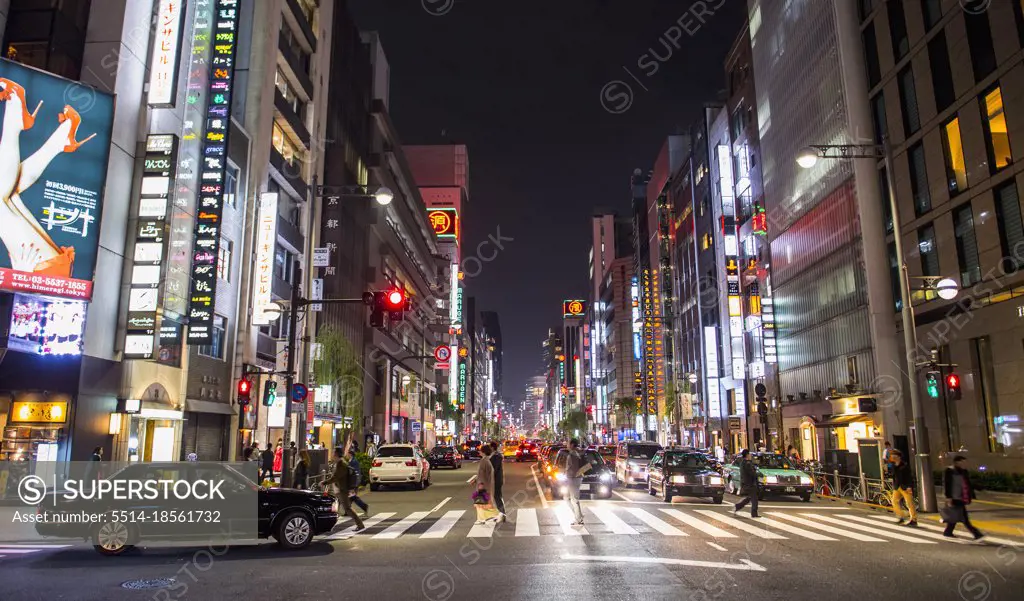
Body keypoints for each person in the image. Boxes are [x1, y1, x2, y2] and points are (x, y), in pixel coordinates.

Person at [943, 455, 984, 541]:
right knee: (964, 518)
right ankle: (977, 534)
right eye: (962, 462)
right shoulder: (949, 471)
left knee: (955, 516)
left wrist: (977, 488)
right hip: (954, 497)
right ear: (957, 462)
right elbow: (947, 484)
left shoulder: (964, 471)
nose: (964, 464)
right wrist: (948, 497)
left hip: (961, 497)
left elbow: (968, 483)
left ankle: (948, 531)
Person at [327, 447, 365, 532]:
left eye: (333, 452)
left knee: (347, 508)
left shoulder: (341, 463)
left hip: (342, 490)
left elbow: (335, 477)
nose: (332, 454)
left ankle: (360, 524)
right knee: (335, 507)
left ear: (336, 454)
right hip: (338, 489)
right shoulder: (339, 463)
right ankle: (329, 525)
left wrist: (324, 482)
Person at [888, 449, 917, 526]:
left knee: (909, 503)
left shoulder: (905, 465)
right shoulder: (893, 466)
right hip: (897, 487)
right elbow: (894, 476)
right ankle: (901, 516)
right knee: (894, 501)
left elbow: (909, 477)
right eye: (891, 455)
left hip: (905, 487)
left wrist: (909, 486)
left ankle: (913, 520)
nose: (892, 456)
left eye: (894, 455)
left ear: (898, 456)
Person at [565, 439, 591, 526]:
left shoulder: (573, 454)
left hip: (573, 478)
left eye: (568, 443)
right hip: (577, 477)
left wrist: (568, 474)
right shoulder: (579, 452)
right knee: (569, 498)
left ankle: (579, 519)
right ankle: (578, 515)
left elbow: (572, 467)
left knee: (574, 499)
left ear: (572, 445)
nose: (567, 445)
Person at [473, 445, 499, 524]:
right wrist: (476, 480)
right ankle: (494, 515)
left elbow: (481, 474)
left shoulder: (483, 461)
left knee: (480, 502)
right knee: (484, 502)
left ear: (483, 452)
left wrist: (480, 483)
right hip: (488, 484)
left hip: (483, 485)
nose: (479, 452)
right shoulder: (487, 461)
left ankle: (483, 518)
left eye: (480, 450)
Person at [733, 449, 760, 518]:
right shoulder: (747, 463)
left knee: (749, 498)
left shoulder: (743, 462)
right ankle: (754, 513)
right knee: (754, 499)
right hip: (750, 483)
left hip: (746, 483)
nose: (750, 455)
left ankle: (737, 506)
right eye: (749, 454)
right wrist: (757, 474)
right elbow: (752, 473)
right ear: (747, 455)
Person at [488, 440, 506, 521]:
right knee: (497, 496)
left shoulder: (496, 456)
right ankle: (501, 513)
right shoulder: (495, 455)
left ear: (492, 447)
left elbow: (494, 469)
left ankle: (502, 513)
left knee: (497, 496)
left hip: (496, 480)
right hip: (497, 479)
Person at [348, 451, 369, 516]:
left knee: (352, 497)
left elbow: (355, 472)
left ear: (350, 454)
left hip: (353, 481)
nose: (347, 455)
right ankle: (348, 510)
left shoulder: (354, 461)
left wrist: (355, 483)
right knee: (351, 497)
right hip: (352, 481)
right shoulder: (351, 460)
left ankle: (364, 506)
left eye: (348, 454)